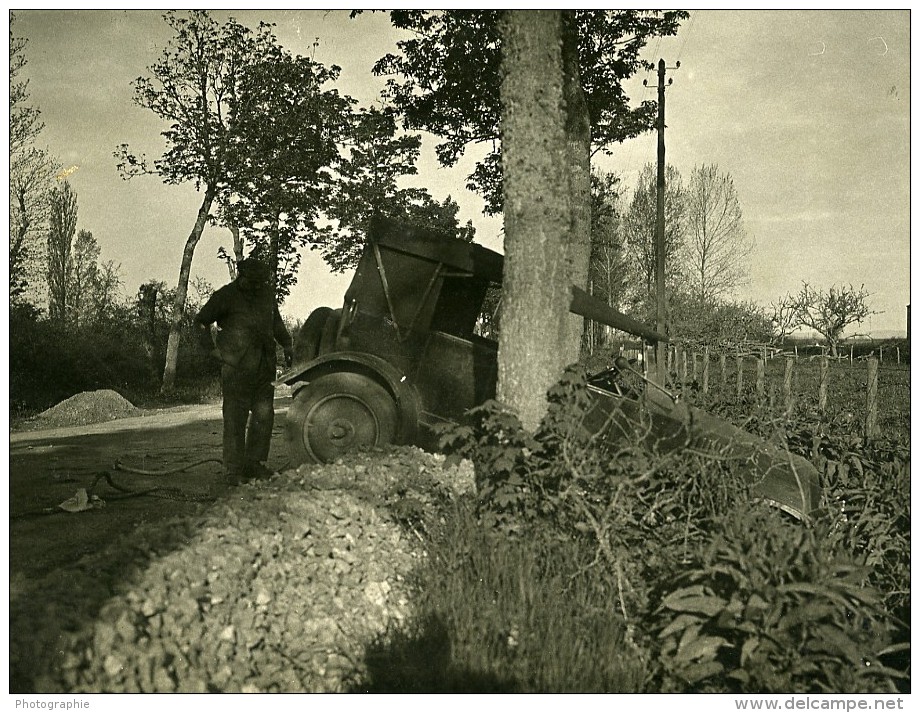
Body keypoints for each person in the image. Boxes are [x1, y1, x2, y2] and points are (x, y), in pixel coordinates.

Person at [195, 258, 293, 485]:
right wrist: (212, 350)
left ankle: (254, 464)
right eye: (254, 281)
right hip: (236, 368)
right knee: (235, 419)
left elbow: (276, 323)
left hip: (264, 367)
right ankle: (233, 470)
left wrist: (287, 344)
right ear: (242, 276)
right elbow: (200, 321)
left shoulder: (266, 294)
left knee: (263, 417)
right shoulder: (225, 295)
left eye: (262, 282)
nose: (258, 286)